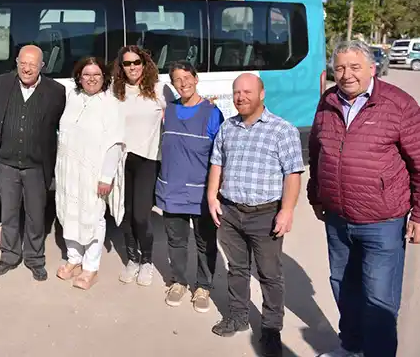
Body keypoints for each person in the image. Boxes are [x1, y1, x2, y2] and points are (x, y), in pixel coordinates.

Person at [309, 40, 420, 357]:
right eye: (340, 68)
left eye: (355, 67)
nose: (347, 75)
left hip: (382, 223)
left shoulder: (399, 105)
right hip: (337, 218)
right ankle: (351, 347)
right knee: (344, 287)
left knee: (379, 299)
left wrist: (419, 215)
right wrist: (316, 194)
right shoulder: (328, 101)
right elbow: (316, 150)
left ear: (372, 68)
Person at [206, 73, 304, 357]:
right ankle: (237, 316)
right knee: (236, 269)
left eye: (247, 92)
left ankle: (271, 329)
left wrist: (287, 210)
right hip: (231, 212)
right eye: (237, 92)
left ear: (262, 94)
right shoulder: (228, 127)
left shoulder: (282, 130)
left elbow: (293, 174)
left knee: (269, 275)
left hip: (265, 215)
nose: (241, 97)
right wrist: (212, 196)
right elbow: (217, 163)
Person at [0, 45, 66, 282]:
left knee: (35, 216)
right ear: (16, 62)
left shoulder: (56, 91)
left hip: (37, 166)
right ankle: (9, 256)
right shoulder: (3, 83)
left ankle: (34, 259)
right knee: (8, 214)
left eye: (33, 64)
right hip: (7, 164)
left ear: (42, 66)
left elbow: (66, 124)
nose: (27, 68)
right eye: (23, 63)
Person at [54, 56, 126, 290]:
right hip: (68, 169)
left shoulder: (111, 104)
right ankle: (74, 258)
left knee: (93, 217)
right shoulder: (72, 97)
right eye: (86, 74)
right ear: (79, 77)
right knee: (68, 212)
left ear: (104, 77)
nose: (91, 79)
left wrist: (106, 177)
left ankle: (90, 266)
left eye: (96, 74)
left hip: (93, 172)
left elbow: (116, 144)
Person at [157, 61, 223, 312]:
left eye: (187, 77)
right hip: (171, 189)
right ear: (172, 84)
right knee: (176, 241)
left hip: (201, 191)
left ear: (196, 79)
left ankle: (204, 286)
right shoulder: (169, 111)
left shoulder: (212, 113)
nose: (183, 83)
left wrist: (217, 191)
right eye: (177, 79)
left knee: (205, 242)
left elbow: (220, 155)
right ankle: (179, 282)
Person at [111, 45, 166, 287]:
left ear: (144, 63)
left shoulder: (158, 89)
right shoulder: (115, 90)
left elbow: (180, 111)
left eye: (136, 62)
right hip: (122, 159)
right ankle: (132, 259)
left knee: (141, 216)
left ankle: (147, 261)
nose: (132, 67)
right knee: (124, 214)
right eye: (127, 63)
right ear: (121, 67)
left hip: (148, 159)